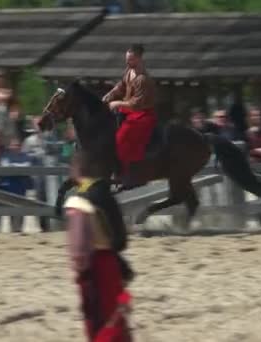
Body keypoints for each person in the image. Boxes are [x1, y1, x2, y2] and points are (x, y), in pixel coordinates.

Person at [63, 152, 133, 342]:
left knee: (96, 316)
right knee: (115, 315)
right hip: (111, 262)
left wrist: (80, 269)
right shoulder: (106, 195)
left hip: (94, 266)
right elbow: (122, 238)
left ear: (75, 171)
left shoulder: (79, 200)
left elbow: (78, 247)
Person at [102, 43, 157, 189]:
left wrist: (117, 103)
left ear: (139, 59)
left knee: (121, 139)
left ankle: (128, 175)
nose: (127, 62)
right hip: (129, 110)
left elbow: (136, 103)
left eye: (131, 59)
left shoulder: (142, 79)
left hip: (143, 114)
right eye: (127, 59)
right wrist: (109, 95)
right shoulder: (129, 71)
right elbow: (121, 86)